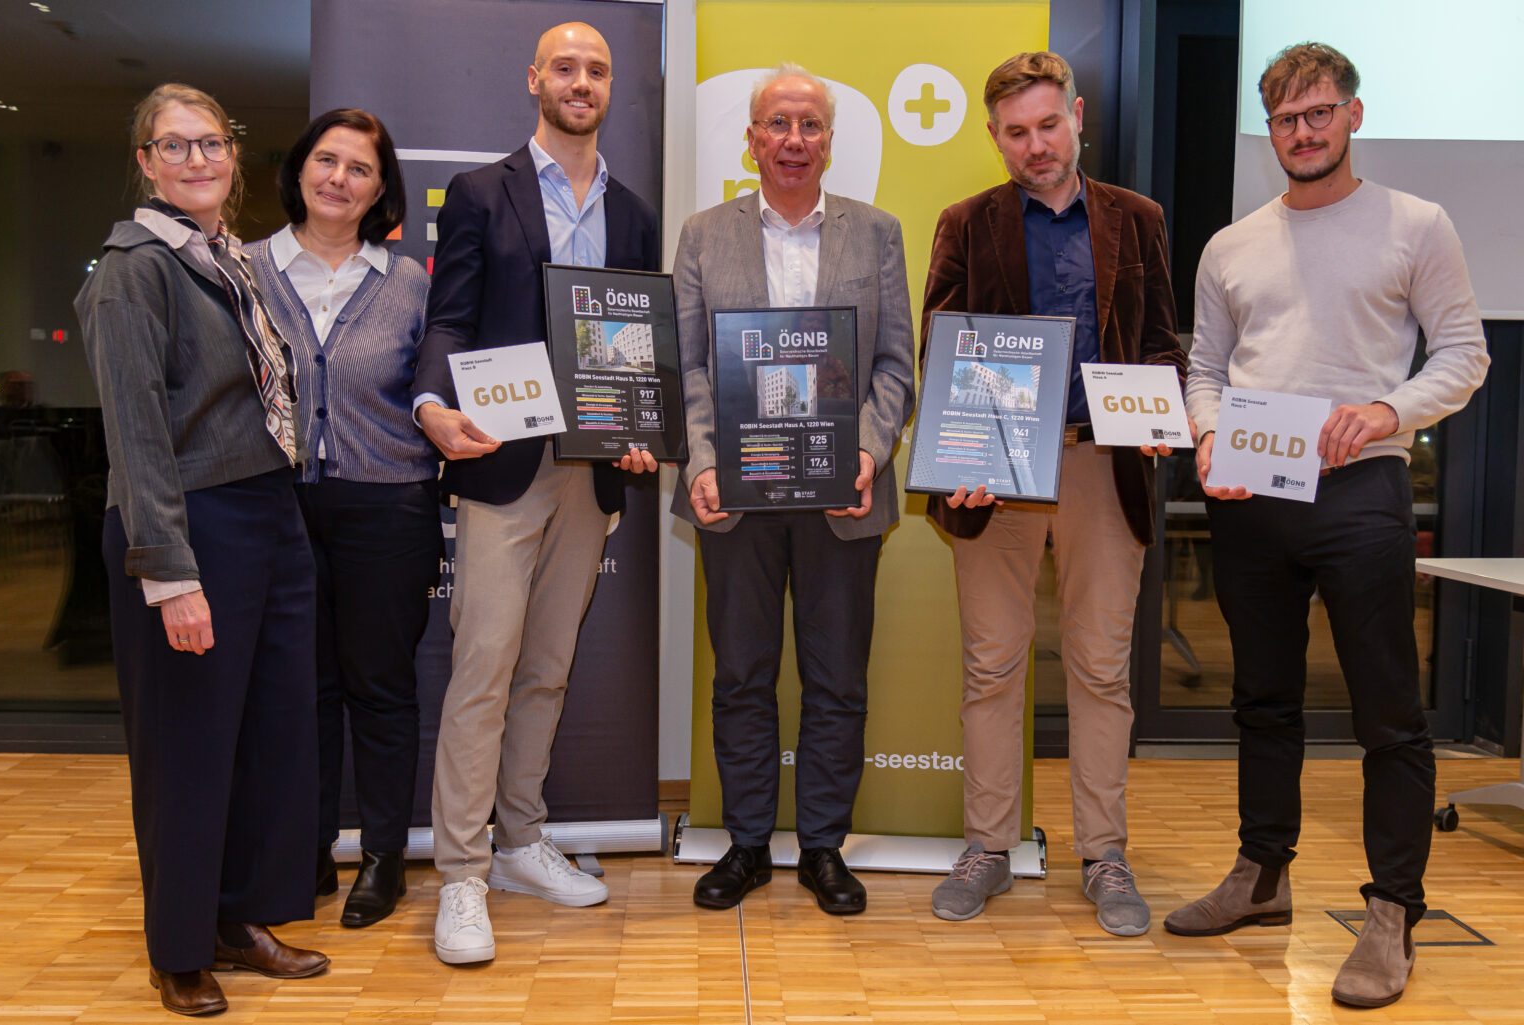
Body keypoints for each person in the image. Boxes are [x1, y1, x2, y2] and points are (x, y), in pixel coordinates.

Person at [1168, 42, 1489, 1008]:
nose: (1301, 133)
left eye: (1317, 113)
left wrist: (1389, 411)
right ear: (1269, 133)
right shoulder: (1232, 244)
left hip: (1360, 490)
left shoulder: (1415, 223)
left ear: (1352, 115)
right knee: (1261, 700)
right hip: (1253, 495)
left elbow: (1464, 354)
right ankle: (1263, 876)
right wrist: (1209, 435)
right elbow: (1206, 372)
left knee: (1388, 711)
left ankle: (1393, 908)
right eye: (1284, 120)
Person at [410, 22, 661, 965]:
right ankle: (463, 875)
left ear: (609, 89)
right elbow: (449, 315)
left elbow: (636, 348)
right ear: (534, 80)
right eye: (567, 67)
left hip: (589, 472)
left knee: (547, 667)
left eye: (597, 70)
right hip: (501, 464)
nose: (582, 81)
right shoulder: (482, 193)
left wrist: (641, 432)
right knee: (482, 667)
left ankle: (520, 842)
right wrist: (434, 404)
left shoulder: (632, 212)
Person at [74, 83, 327, 1017]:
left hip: (267, 511)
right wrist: (170, 575)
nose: (197, 161)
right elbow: (137, 436)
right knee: (187, 747)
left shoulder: (227, 258)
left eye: (211, 144)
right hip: (189, 525)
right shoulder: (131, 268)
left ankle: (238, 918)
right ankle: (179, 947)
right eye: (173, 146)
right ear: (143, 161)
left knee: (268, 736)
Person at [920, 51, 1185, 936]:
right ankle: (988, 846)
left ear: (1077, 117)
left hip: (1102, 465)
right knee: (991, 665)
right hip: (998, 472)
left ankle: (1105, 855)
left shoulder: (1137, 219)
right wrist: (955, 437)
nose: (1035, 145)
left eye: (1048, 125)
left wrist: (1161, 406)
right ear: (995, 139)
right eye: (1016, 133)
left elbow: (1160, 342)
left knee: (1101, 671)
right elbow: (941, 346)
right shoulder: (966, 224)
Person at [673, 63, 915, 916]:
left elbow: (894, 367)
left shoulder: (876, 232)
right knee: (741, 673)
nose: (793, 141)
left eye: (809, 126)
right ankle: (745, 845)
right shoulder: (703, 234)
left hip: (840, 495)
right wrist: (703, 460)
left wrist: (871, 451)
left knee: (836, 675)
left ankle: (822, 847)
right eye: (777, 124)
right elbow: (690, 365)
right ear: (751, 138)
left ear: (829, 141)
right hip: (734, 493)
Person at [245, 109, 442, 930]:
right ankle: (309, 848)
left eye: (359, 169)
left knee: (382, 687)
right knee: (300, 688)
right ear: (298, 170)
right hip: (276, 505)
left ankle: (386, 857)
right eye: (326, 161)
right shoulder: (245, 268)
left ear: (379, 189)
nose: (338, 179)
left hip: (387, 504)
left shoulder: (408, 284)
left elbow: (438, 388)